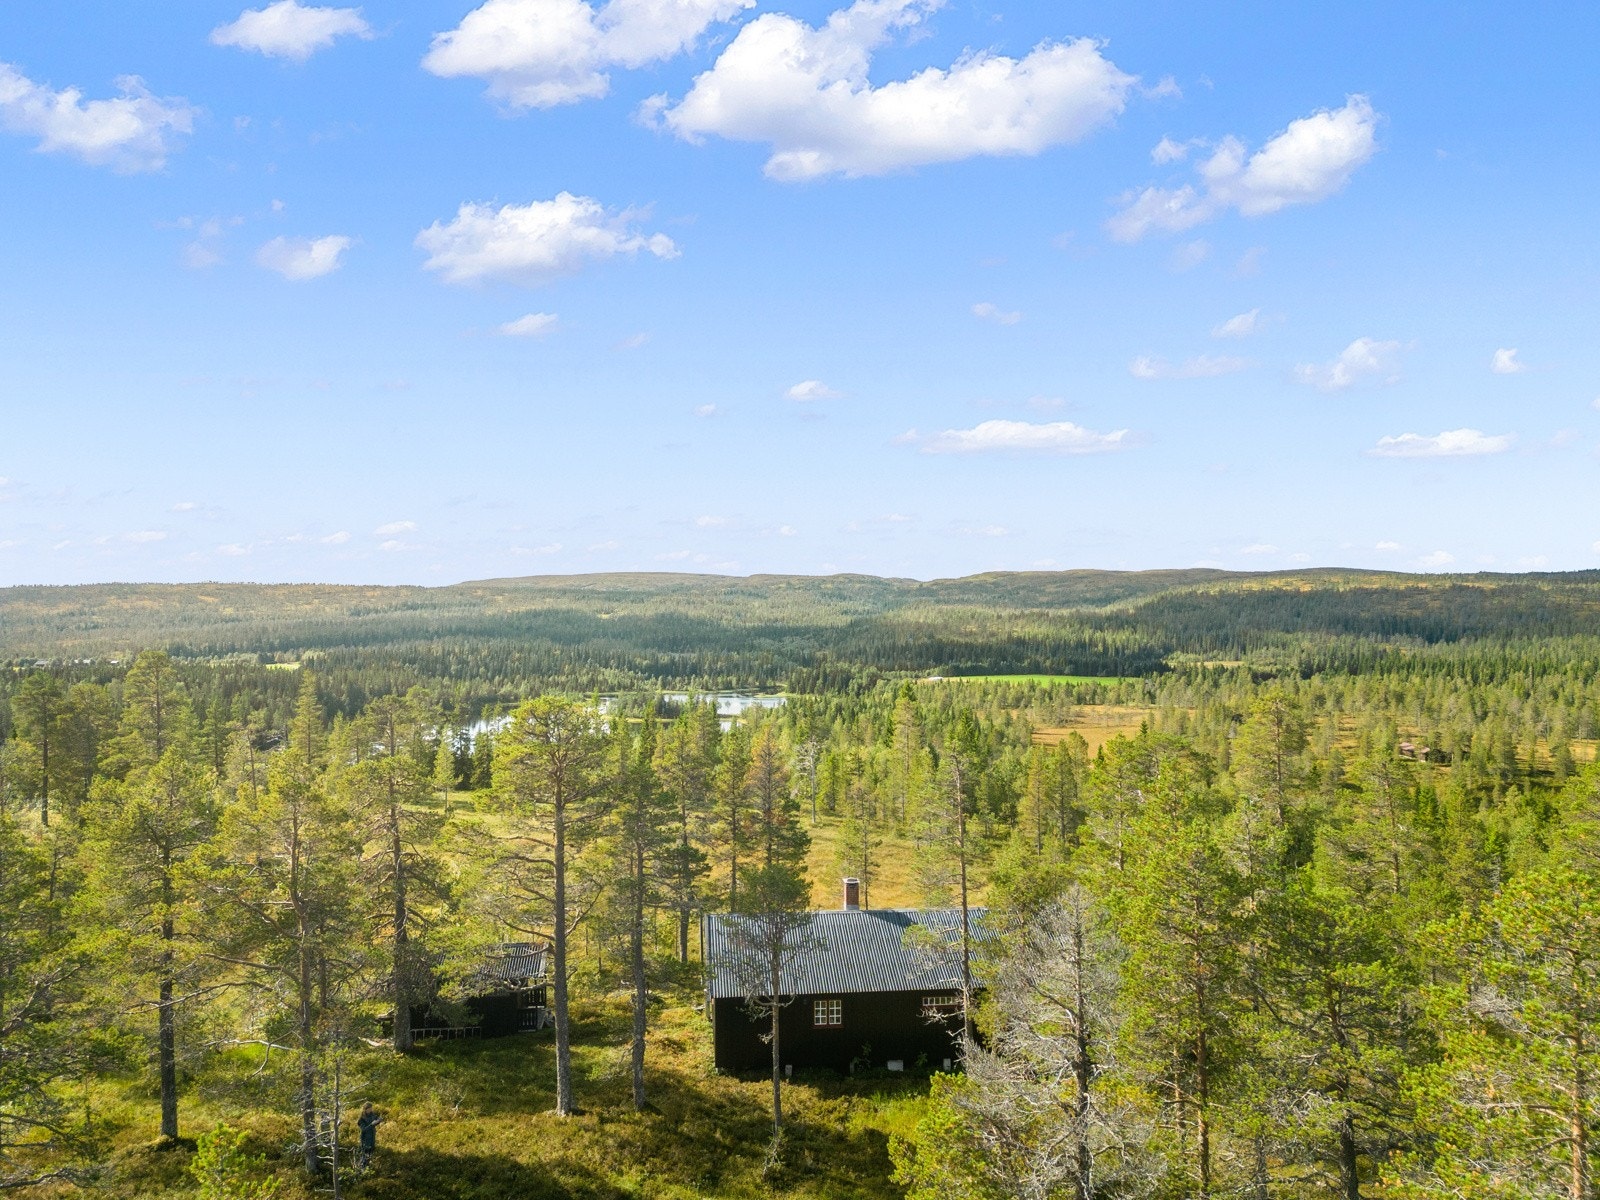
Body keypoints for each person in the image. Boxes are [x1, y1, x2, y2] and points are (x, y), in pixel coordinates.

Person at [357, 1102, 382, 1170]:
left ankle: (367, 1169)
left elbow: (377, 1119)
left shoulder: (372, 1115)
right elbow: (363, 1130)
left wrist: (379, 1120)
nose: (371, 1110)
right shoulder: (361, 1119)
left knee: (370, 1154)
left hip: (372, 1138)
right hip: (365, 1139)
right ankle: (362, 1169)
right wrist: (372, 1124)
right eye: (369, 1108)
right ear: (365, 1109)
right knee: (365, 1154)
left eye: (371, 1108)